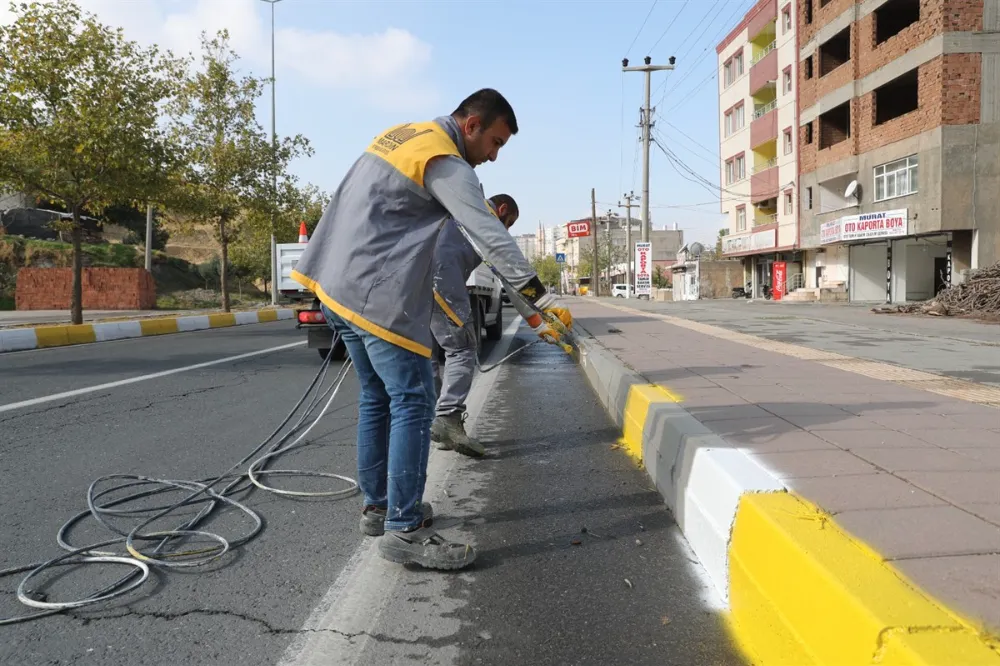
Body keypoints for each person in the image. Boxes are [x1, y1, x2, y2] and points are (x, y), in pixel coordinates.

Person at [291, 89, 573, 571]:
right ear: (471, 126)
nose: (494, 155)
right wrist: (540, 301)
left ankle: (378, 508)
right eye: (496, 141)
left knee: (377, 398)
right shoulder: (447, 160)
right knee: (414, 400)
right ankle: (405, 529)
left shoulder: (401, 135)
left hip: (334, 284)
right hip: (374, 293)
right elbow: (489, 234)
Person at [430, 194, 519, 457]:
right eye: (509, 223)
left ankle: (435, 421)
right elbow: (510, 271)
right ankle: (448, 417)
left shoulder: (459, 206)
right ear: (501, 210)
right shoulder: (485, 220)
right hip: (443, 282)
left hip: (414, 282)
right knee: (462, 348)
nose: (506, 229)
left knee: (426, 354)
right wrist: (540, 314)